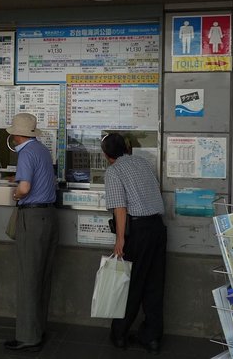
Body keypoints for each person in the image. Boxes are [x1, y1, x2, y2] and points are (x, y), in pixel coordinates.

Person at [101, 133, 167, 354]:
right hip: (158, 228)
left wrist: (120, 240)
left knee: (130, 283)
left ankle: (119, 334)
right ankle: (152, 337)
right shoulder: (142, 162)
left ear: (106, 154)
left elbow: (120, 208)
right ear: (126, 148)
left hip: (137, 232)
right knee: (154, 284)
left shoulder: (113, 171)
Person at [3, 113, 59, 352]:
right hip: (49, 217)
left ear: (16, 135)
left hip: (32, 218)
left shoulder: (24, 152)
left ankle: (27, 336)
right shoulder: (42, 150)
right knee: (42, 276)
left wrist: (16, 193)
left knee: (28, 277)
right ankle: (38, 328)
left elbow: (24, 188)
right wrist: (19, 179)